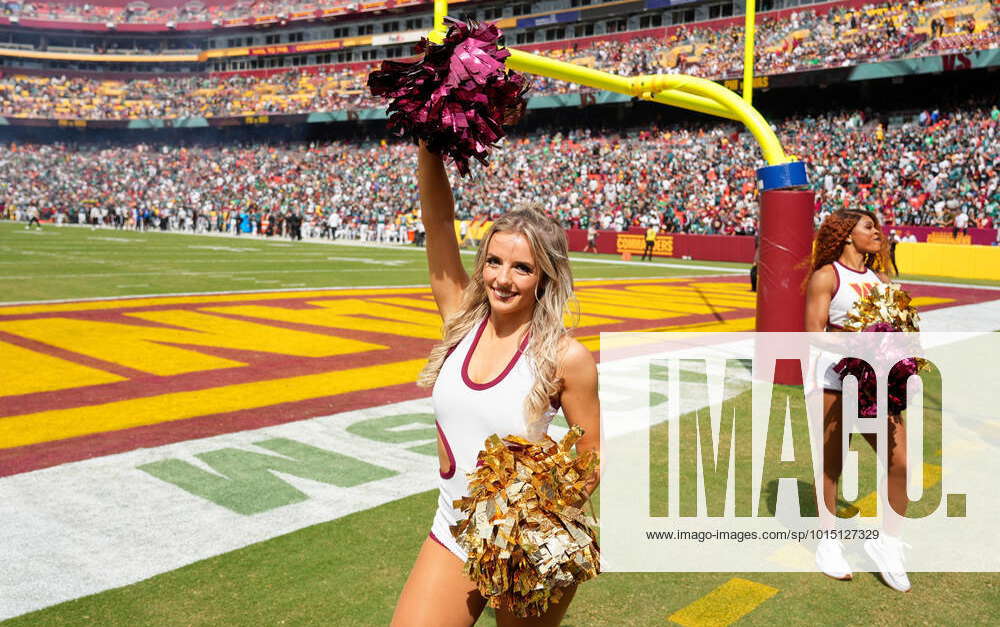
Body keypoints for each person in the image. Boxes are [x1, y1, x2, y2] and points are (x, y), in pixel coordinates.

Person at [391, 143, 600, 626]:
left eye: (522, 268)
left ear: (544, 277)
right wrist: (428, 145)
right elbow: (440, 226)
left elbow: (590, 457)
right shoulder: (459, 321)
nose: (503, 279)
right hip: (454, 529)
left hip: (528, 546)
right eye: (494, 262)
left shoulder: (565, 357)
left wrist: (536, 523)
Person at [804, 209, 911, 592]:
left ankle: (887, 542)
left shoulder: (882, 280)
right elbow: (813, 333)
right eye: (869, 227)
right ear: (847, 236)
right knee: (831, 464)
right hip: (833, 377)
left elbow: (896, 329)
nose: (877, 232)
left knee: (900, 463)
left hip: (877, 381)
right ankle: (828, 543)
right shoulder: (827, 276)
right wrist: (858, 344)